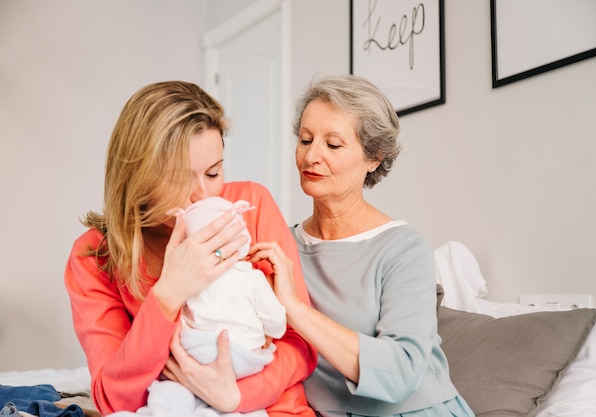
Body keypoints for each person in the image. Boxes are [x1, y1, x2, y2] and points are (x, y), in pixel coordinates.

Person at [64, 81, 317, 416]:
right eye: (180, 179)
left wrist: (236, 396)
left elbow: (300, 343)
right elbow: (114, 400)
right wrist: (169, 293)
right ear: (137, 176)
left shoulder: (251, 205)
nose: (203, 195)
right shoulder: (94, 257)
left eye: (214, 172)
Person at [248, 74, 475, 416]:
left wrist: (296, 309)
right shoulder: (284, 245)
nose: (311, 156)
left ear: (374, 157)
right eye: (305, 139)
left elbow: (402, 370)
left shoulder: (403, 248)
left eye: (333, 145)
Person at [130, 196, 287, 417]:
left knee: (171, 387)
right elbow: (277, 321)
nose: (200, 189)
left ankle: (167, 408)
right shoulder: (251, 278)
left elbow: (177, 317)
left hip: (196, 350)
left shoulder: (189, 277)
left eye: (213, 173)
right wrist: (270, 332)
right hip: (243, 357)